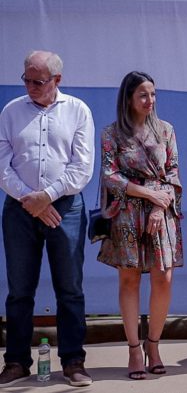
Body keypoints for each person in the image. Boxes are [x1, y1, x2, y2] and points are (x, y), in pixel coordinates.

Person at [0, 50, 95, 387]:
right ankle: (16, 362)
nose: (30, 86)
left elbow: (82, 166)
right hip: (19, 209)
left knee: (69, 288)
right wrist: (31, 200)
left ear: (57, 80)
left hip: (65, 208)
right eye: (26, 79)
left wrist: (47, 196)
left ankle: (73, 361)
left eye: (38, 81)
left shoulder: (78, 111)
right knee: (19, 289)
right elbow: (2, 163)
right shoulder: (11, 111)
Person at [96, 71, 183, 379]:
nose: (150, 101)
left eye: (153, 94)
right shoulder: (111, 133)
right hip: (127, 213)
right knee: (129, 280)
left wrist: (161, 205)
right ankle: (134, 349)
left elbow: (173, 173)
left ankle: (154, 344)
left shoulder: (166, 130)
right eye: (143, 95)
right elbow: (109, 175)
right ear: (129, 99)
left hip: (162, 212)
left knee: (164, 277)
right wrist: (148, 193)